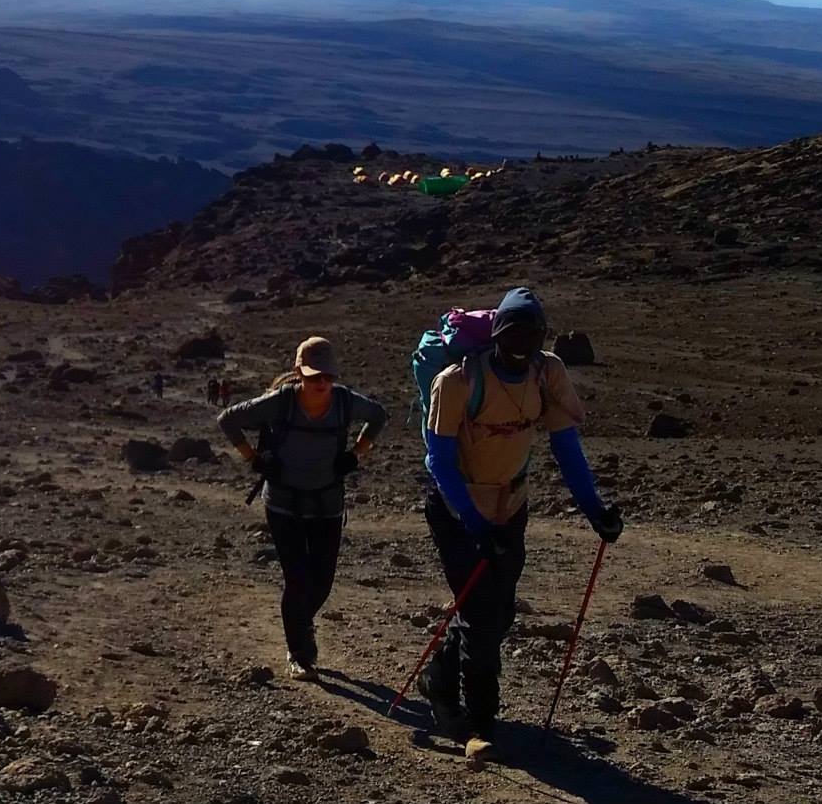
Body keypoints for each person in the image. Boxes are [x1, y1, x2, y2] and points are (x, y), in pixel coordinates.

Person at [419, 287, 623, 761]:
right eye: (514, 333)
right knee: (481, 615)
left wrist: (596, 511)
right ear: (495, 334)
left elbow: (565, 446)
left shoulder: (545, 373)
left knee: (498, 611)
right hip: (456, 510)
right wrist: (472, 523)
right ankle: (478, 723)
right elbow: (440, 462)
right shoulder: (458, 382)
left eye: (532, 334)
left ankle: (438, 680)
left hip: (509, 506)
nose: (522, 343)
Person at [218, 337, 388, 678]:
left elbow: (379, 416)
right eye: (313, 377)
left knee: (321, 582)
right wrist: (254, 460)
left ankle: (299, 624)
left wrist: (355, 454)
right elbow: (227, 419)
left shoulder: (343, 402)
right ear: (298, 373)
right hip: (284, 503)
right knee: (297, 580)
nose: (321, 383)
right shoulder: (281, 402)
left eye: (327, 376)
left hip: (327, 503)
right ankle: (299, 653)